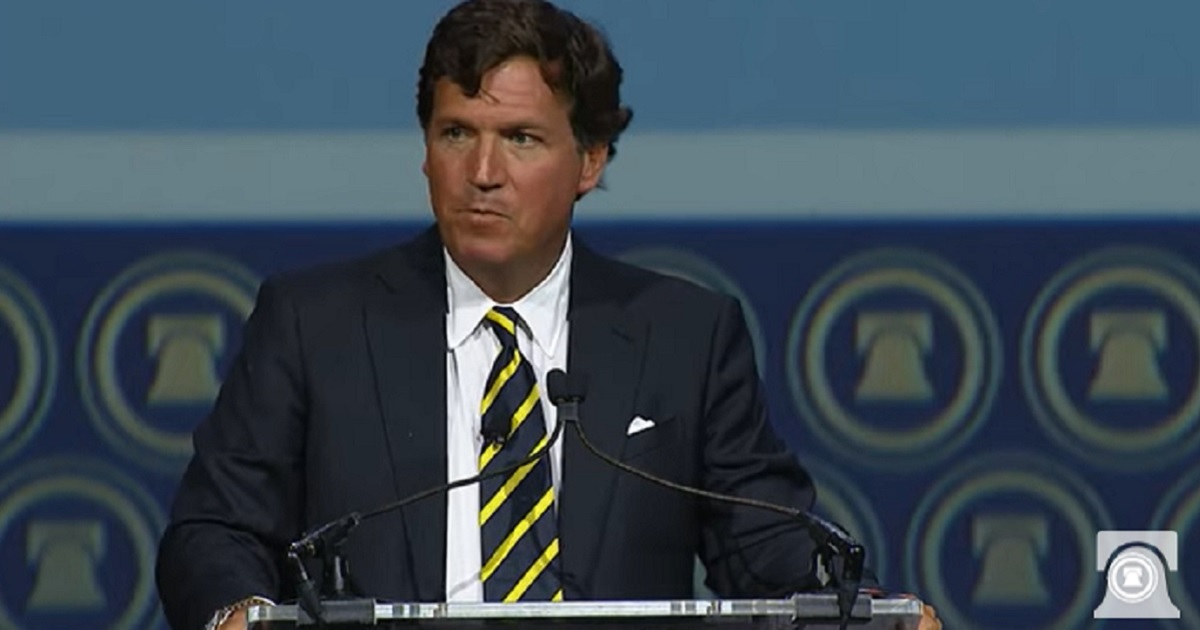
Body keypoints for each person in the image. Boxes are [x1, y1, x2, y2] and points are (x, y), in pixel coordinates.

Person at [155, 1, 940, 629]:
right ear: (425, 149)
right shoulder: (314, 324)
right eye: (457, 133)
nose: (483, 173)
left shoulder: (683, 337)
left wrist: (863, 611)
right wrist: (240, 613)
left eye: (521, 139)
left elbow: (767, 543)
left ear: (589, 162)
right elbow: (214, 532)